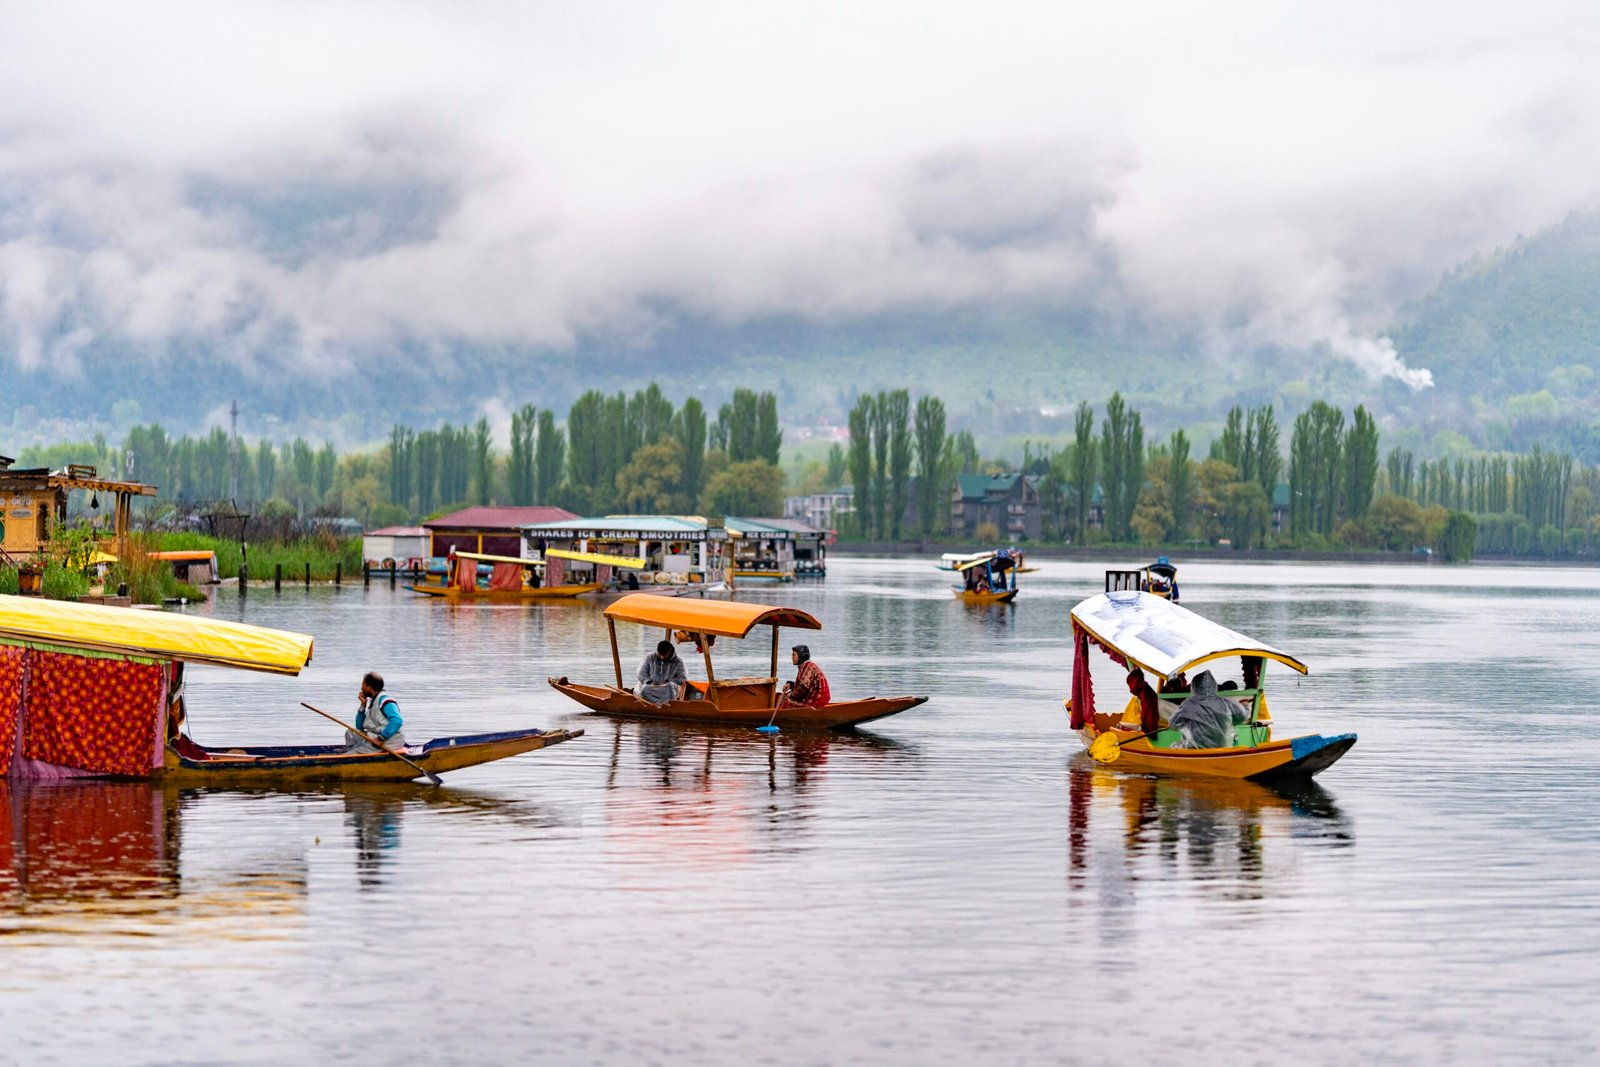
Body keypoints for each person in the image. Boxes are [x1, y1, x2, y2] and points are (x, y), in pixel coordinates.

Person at [1168, 670, 1249, 749]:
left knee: (1173, 746)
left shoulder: (1188, 704)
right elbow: (1242, 717)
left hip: (1195, 750)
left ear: (1194, 687)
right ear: (1214, 686)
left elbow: (1173, 725)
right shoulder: (1225, 702)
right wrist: (1245, 705)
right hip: (1221, 749)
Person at [347, 671, 406, 753]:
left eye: (363, 685)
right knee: (351, 732)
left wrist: (381, 738)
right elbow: (359, 728)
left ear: (369, 686)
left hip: (389, 741)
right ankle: (354, 751)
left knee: (351, 755)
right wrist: (363, 705)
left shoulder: (385, 701)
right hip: (375, 737)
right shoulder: (373, 701)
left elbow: (397, 720)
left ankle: (353, 753)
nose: (361, 688)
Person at [777, 644, 831, 709]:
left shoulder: (807, 666)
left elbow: (803, 687)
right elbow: (805, 685)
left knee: (780, 698)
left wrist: (790, 695)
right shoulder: (806, 665)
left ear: (800, 656)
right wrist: (791, 685)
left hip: (816, 702)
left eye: (794, 655)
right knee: (781, 696)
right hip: (820, 699)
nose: (792, 657)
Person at [637, 639, 687, 704]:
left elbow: (682, 678)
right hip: (652, 686)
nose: (662, 657)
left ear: (670, 651)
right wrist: (650, 682)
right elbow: (641, 673)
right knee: (645, 689)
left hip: (667, 688)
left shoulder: (678, 662)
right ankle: (650, 706)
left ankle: (668, 706)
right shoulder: (650, 658)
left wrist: (669, 681)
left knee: (670, 687)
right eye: (660, 654)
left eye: (664, 655)